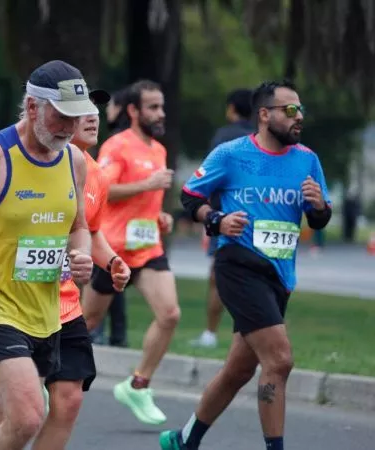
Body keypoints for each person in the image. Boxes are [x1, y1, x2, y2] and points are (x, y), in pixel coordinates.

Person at [0, 90, 132, 450]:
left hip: (54, 306)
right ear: (34, 107)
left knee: (37, 409)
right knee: (27, 414)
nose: (83, 120)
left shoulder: (82, 166)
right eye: (67, 115)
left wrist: (99, 259)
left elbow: (84, 228)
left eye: (87, 112)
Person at [160, 80, 332, 450]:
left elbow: (319, 219)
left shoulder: (307, 159)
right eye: (290, 110)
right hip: (238, 266)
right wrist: (216, 220)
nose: (299, 116)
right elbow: (190, 197)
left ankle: (184, 439)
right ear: (264, 114)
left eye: (301, 109)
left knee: (238, 370)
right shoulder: (231, 154)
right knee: (279, 360)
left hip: (280, 275)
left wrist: (319, 206)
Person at [81, 79, 179, 425]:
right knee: (86, 322)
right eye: (153, 107)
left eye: (162, 106)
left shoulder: (158, 150)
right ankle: (46, 377)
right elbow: (102, 188)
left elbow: (145, 201)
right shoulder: (117, 145)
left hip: (148, 248)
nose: (161, 113)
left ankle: (138, 385)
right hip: (113, 250)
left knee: (170, 314)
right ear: (134, 110)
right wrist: (147, 185)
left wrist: (160, 216)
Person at [190, 88, 254, 349]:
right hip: (257, 216)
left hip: (225, 216)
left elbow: (209, 177)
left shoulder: (223, 137)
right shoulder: (261, 137)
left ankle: (210, 333)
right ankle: (249, 334)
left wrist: (207, 213)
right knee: (254, 279)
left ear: (231, 109)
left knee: (218, 277)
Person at [89, 86, 131, 348]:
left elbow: (106, 188)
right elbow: (107, 187)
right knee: (109, 282)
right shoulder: (116, 144)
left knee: (111, 281)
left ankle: (107, 334)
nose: (103, 113)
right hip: (111, 233)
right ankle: (112, 335)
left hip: (113, 234)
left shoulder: (119, 143)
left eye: (110, 105)